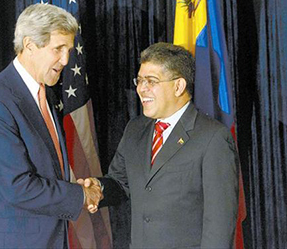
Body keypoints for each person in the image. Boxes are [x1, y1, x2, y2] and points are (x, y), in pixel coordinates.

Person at [81, 43, 239, 248]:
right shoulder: (135, 129)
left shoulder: (213, 138)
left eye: (151, 81)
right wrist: (99, 188)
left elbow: (219, 226)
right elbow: (121, 183)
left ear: (178, 86)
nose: (141, 88)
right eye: (139, 80)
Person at [0, 4, 101, 248]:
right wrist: (81, 195)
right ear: (29, 45)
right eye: (58, 49)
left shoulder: (43, 92)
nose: (65, 60)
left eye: (69, 50)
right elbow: (18, 187)